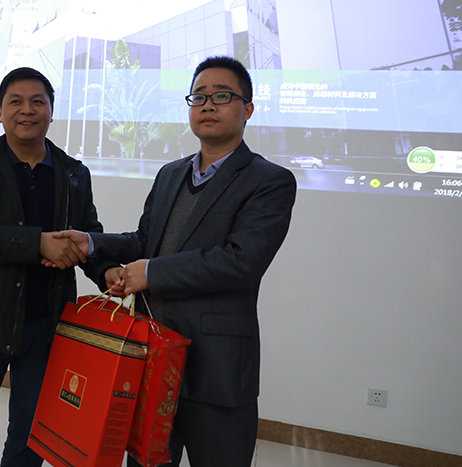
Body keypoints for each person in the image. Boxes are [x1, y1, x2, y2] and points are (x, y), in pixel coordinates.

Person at [50, 56, 297, 466]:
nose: (208, 105)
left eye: (222, 96)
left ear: (248, 109)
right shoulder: (169, 174)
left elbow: (240, 262)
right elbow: (145, 241)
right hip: (151, 359)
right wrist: (91, 243)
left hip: (216, 368)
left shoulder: (269, 181)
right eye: (198, 97)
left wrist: (150, 273)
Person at [0, 67, 115, 467]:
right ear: (1, 112)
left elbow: (87, 235)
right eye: (15, 101)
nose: (27, 110)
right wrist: (37, 243)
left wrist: (107, 271)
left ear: (51, 110)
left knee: (31, 439)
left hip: (47, 327)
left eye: (38, 101)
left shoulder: (73, 173)